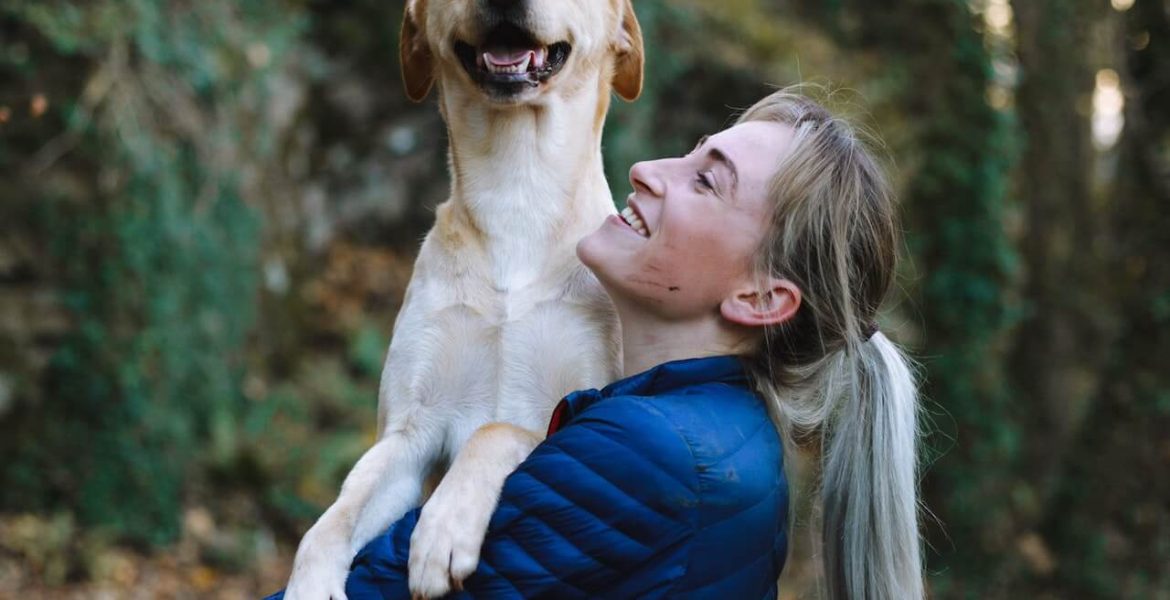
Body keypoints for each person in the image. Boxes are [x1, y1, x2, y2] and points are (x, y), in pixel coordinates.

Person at [269, 88, 924, 600]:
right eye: (691, 152)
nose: (645, 170)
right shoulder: (717, 430)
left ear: (759, 299)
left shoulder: (648, 456)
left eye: (704, 181)